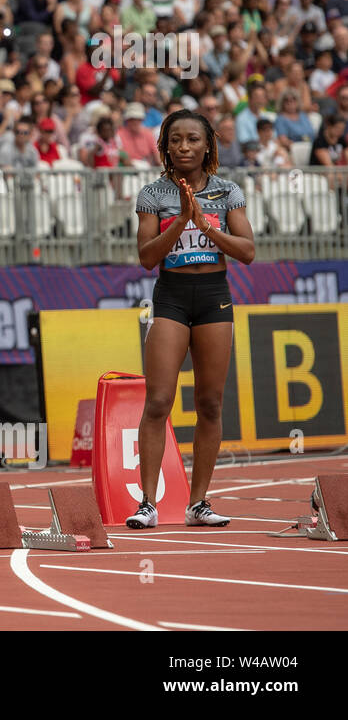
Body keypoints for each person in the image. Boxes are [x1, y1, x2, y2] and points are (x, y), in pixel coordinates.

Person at [129, 110, 255, 530]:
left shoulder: (227, 191)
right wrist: (181, 219)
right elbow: (147, 257)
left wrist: (206, 227)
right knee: (159, 401)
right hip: (172, 297)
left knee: (210, 403)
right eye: (176, 140)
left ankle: (198, 503)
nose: (184, 147)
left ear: (207, 146)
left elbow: (247, 250)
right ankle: (147, 502)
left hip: (214, 297)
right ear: (164, 147)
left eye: (193, 140)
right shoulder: (152, 193)